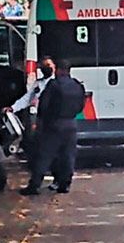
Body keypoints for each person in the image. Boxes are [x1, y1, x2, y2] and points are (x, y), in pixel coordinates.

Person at [20, 59, 86, 196]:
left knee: (44, 156)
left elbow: (44, 105)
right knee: (68, 156)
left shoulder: (54, 85)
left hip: (54, 125)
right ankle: (65, 184)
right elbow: (81, 106)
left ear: (59, 70)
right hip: (71, 124)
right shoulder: (77, 85)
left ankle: (34, 185)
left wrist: (42, 121)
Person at [13, 56, 55, 156]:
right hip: (37, 116)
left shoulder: (57, 83)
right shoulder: (38, 83)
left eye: (48, 65)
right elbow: (27, 98)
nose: (46, 68)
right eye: (44, 66)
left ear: (54, 66)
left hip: (52, 117)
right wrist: (13, 108)